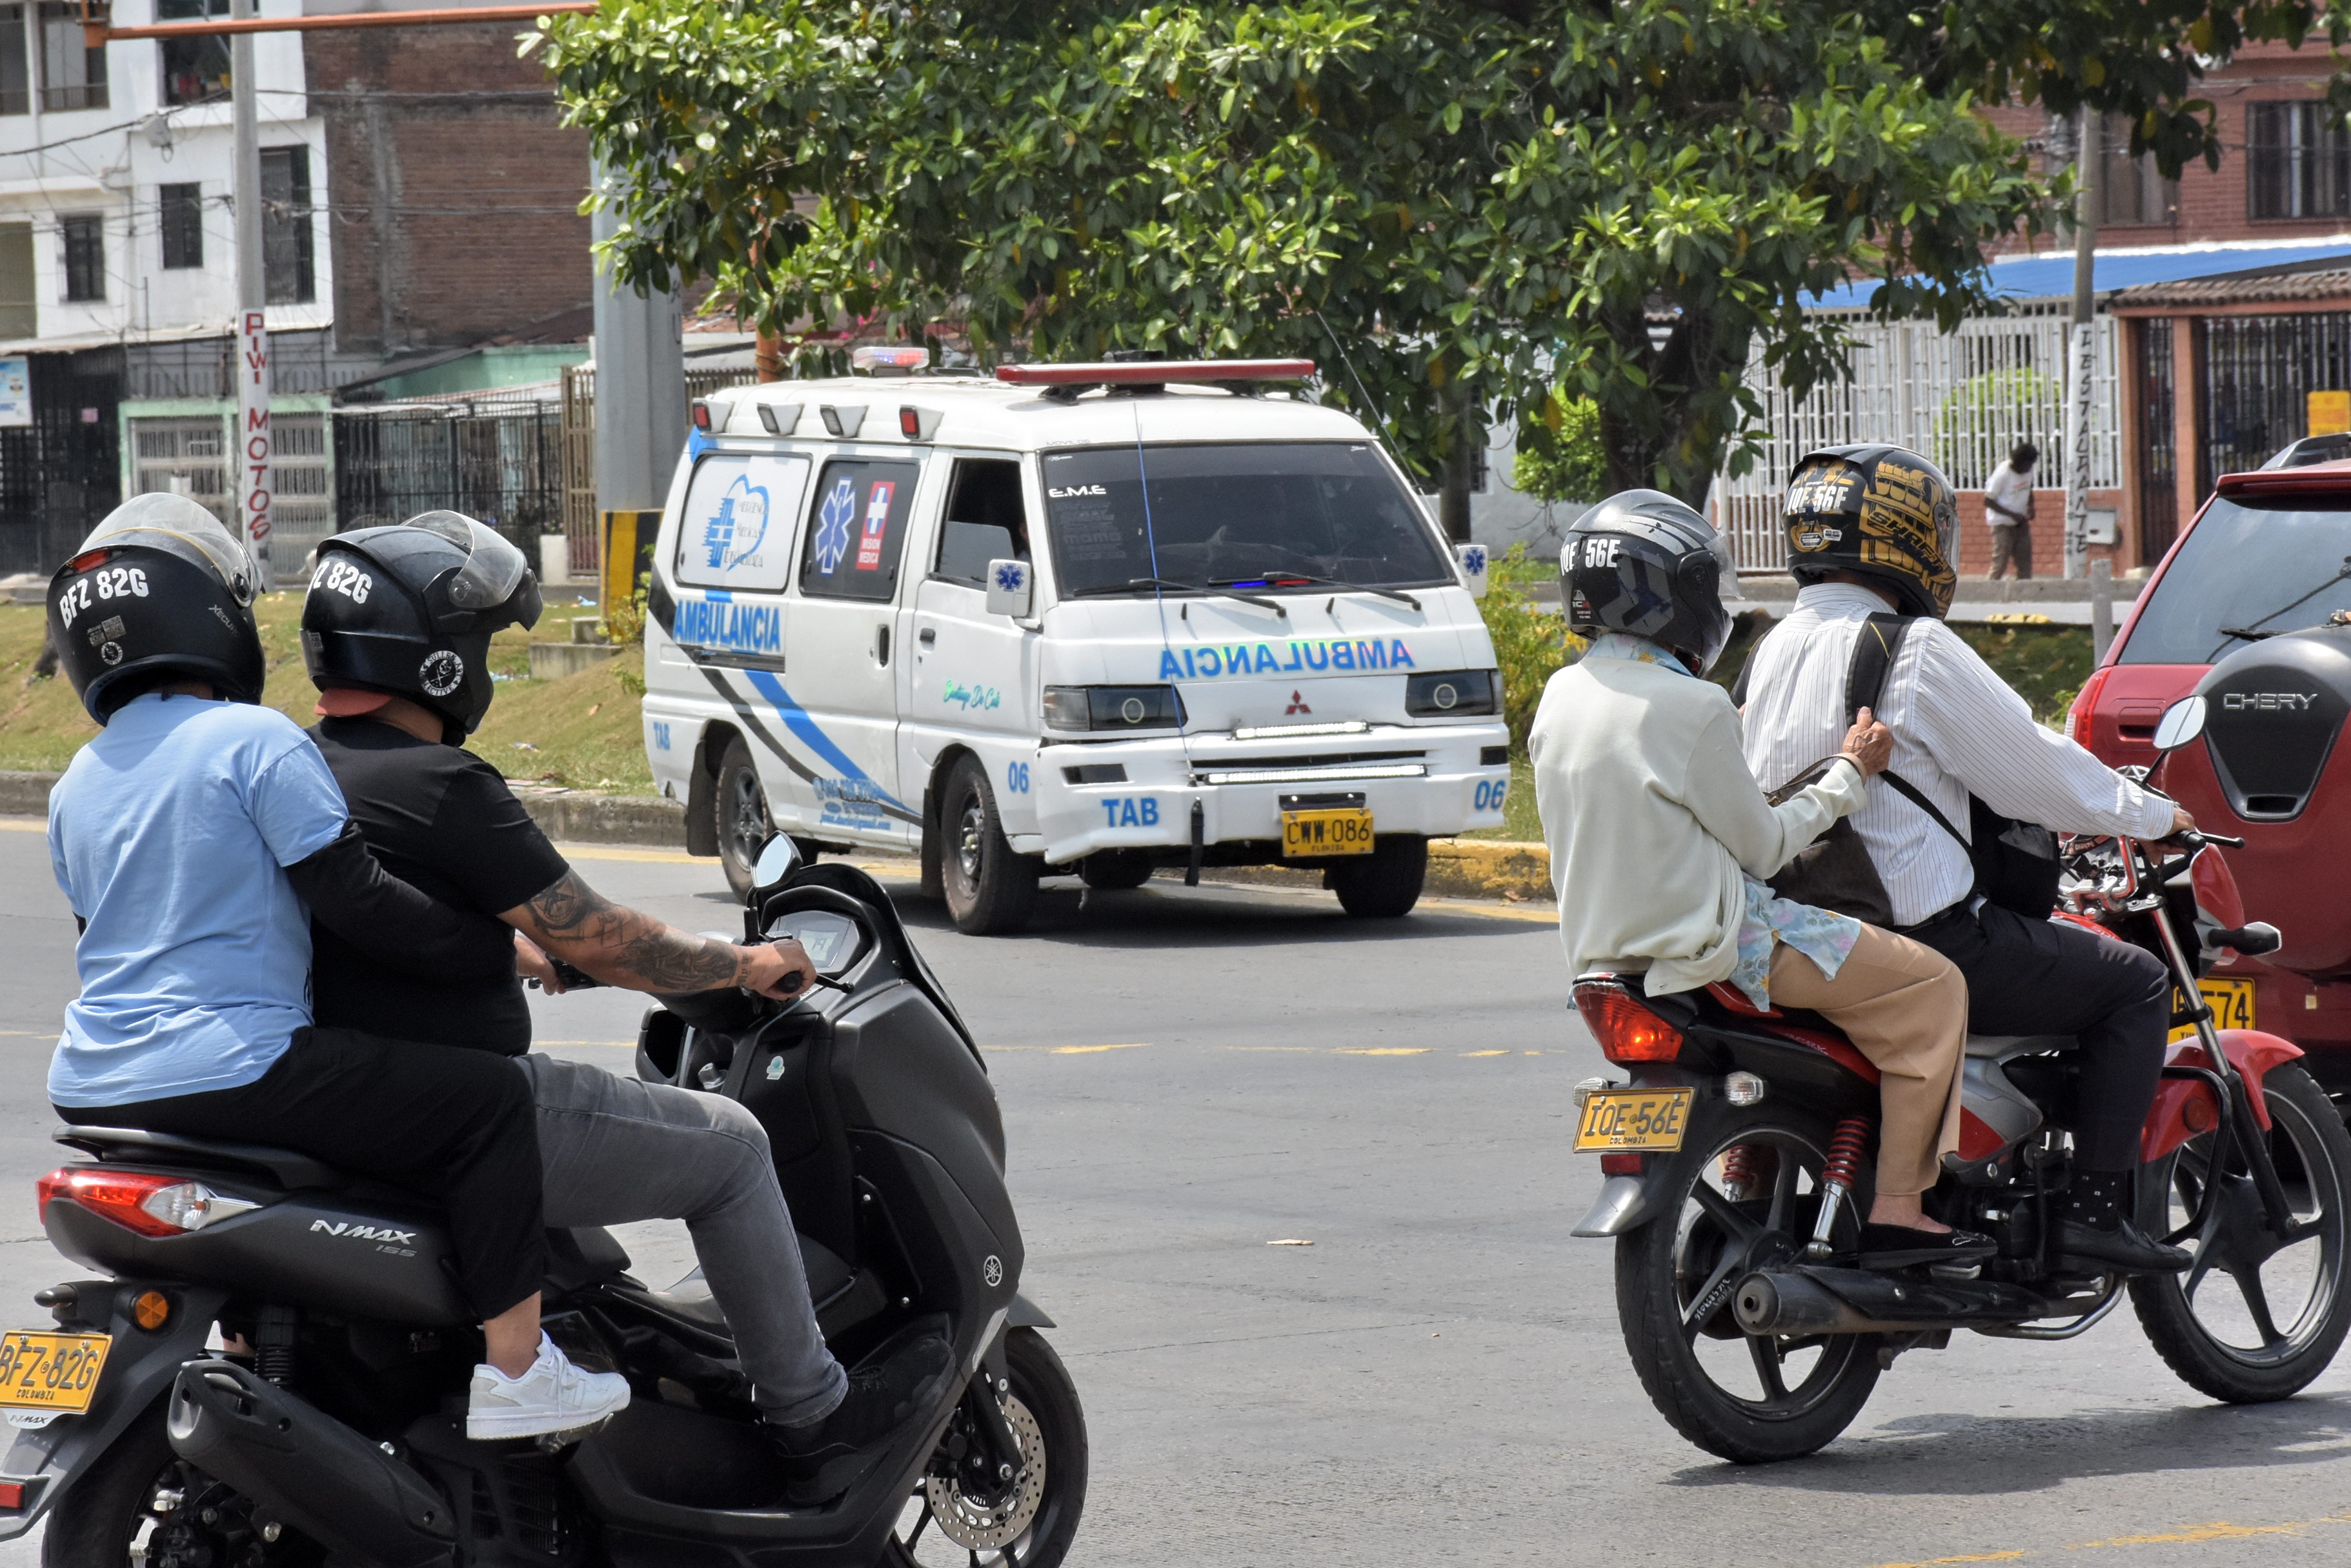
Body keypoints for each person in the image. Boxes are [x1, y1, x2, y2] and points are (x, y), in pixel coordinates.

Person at [297, 512, 949, 1487]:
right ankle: (814, 1413)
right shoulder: (440, 783)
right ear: (436, 658)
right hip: (464, 1111)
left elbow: (387, 920)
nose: (481, 660)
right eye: (477, 642)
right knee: (729, 1149)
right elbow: (598, 932)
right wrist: (739, 964)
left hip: (349, 1104)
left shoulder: (300, 770)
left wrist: (510, 954)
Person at [41, 494, 630, 1440]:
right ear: (212, 611)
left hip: (97, 1086)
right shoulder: (255, 740)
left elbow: (111, 932)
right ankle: (520, 1369)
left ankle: (251, 1347)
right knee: (485, 1104)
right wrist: (504, 946)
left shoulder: (77, 782)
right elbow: (363, 904)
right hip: (236, 1067)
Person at [1742, 445, 2191, 1274]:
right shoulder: (1910, 648)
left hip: (1802, 933)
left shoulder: (1770, 647)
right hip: (1925, 943)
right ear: (1911, 538)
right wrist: (2153, 815)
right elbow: (2033, 768)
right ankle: (2094, 1213)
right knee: (2134, 983)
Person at [1533, 490, 1986, 1269]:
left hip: (1607, 959)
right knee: (1933, 988)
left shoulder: (1561, 696)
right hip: (1724, 945)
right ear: (1671, 595)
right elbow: (1767, 845)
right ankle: (1901, 1207)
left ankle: (1753, 1164)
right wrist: (1849, 771)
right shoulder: (1692, 705)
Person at [1984, 441, 2037, 581]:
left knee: (2025, 562)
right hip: (2002, 523)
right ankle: (1990, 591)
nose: (2030, 468)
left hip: (2020, 523)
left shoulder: (2028, 471)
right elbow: (1988, 501)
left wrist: (2031, 506)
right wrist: (2012, 515)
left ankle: (2024, 595)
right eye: (2028, 464)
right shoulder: (2003, 473)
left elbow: (2029, 489)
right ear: (2020, 462)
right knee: (2000, 562)